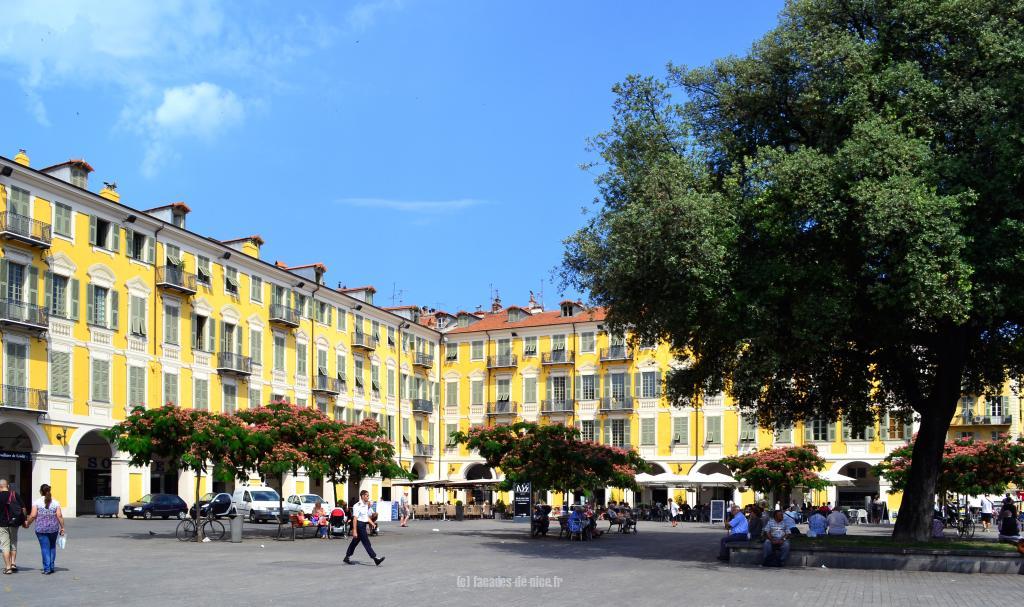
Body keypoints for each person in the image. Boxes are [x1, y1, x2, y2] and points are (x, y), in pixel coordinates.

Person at [24, 484, 64, 574]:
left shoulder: (37, 502)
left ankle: (47, 568)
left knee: (45, 548)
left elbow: (33, 515)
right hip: (54, 528)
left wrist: (28, 523)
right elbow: (59, 515)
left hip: (41, 529)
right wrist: (62, 527)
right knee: (52, 546)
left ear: (40, 491)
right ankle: (51, 566)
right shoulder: (55, 502)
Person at [343, 490, 384, 566]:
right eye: (367, 496)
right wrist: (354, 530)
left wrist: (372, 523)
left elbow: (366, 517)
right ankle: (375, 558)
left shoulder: (365, 505)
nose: (368, 497)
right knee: (366, 542)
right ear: (362, 496)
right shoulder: (357, 506)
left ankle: (347, 557)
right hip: (359, 525)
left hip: (363, 525)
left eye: (368, 495)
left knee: (354, 542)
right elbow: (355, 519)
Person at [0, 479, 25, 575]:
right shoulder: (14, 494)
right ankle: (13, 563)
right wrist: (24, 520)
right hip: (14, 523)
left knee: (5, 545)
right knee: (13, 542)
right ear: (7, 486)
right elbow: (23, 508)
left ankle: (8, 567)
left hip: (2, 524)